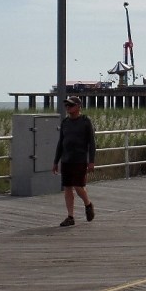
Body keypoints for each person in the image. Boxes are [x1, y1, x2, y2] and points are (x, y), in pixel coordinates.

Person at [53, 96, 96, 226]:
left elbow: (92, 143)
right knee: (67, 188)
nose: (68, 108)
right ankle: (70, 216)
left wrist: (91, 161)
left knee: (78, 187)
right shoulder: (65, 122)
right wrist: (56, 161)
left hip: (80, 159)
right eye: (66, 105)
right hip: (66, 160)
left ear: (78, 106)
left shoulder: (85, 121)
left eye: (71, 105)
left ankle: (88, 204)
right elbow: (61, 143)